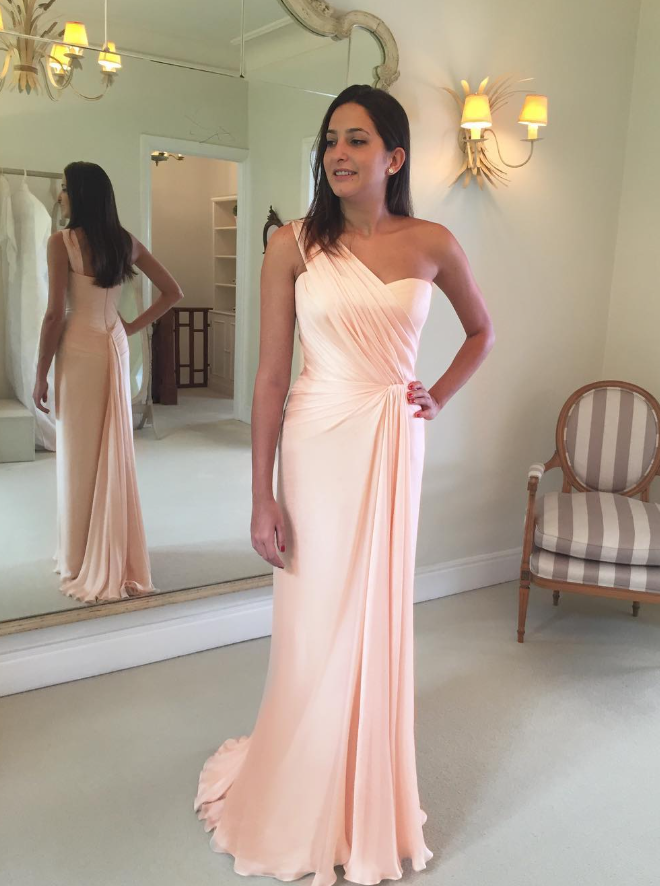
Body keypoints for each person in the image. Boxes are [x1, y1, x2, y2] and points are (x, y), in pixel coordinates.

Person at [194, 85, 495, 885]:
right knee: (314, 618)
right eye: (331, 140)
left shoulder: (432, 242)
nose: (338, 153)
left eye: (356, 140)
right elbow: (269, 377)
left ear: (394, 157)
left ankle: (364, 784)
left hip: (392, 442)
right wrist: (261, 495)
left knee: (374, 613)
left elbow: (482, 331)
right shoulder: (292, 245)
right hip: (316, 441)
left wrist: (438, 394)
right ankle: (300, 784)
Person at [32, 161, 183, 603]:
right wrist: (130, 327)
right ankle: (109, 548)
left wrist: (39, 374)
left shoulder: (61, 242)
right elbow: (173, 291)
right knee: (111, 447)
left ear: (79, 195)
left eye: (64, 188)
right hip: (113, 344)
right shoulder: (124, 241)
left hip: (80, 349)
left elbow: (54, 315)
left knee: (80, 452)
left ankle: (81, 556)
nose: (60, 195)